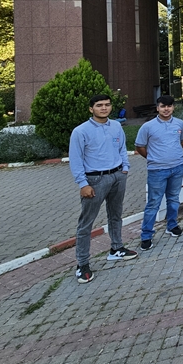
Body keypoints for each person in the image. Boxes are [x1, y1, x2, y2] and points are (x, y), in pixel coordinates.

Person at [69, 94, 137, 284]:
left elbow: (122, 147)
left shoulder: (115, 126)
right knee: (86, 223)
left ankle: (116, 248)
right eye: (99, 105)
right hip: (95, 180)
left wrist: (125, 168)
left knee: (115, 215)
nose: (104, 108)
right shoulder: (81, 131)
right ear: (91, 109)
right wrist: (83, 184)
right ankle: (82, 264)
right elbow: (76, 159)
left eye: (107, 105)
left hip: (117, 176)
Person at [135, 95, 183, 251]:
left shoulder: (180, 123)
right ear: (157, 108)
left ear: (173, 108)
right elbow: (140, 146)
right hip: (157, 170)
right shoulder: (148, 127)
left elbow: (182, 141)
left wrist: (173, 154)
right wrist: (153, 157)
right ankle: (146, 235)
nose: (166, 109)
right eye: (163, 106)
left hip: (177, 167)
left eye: (169, 106)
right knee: (153, 203)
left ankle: (172, 225)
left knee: (174, 199)